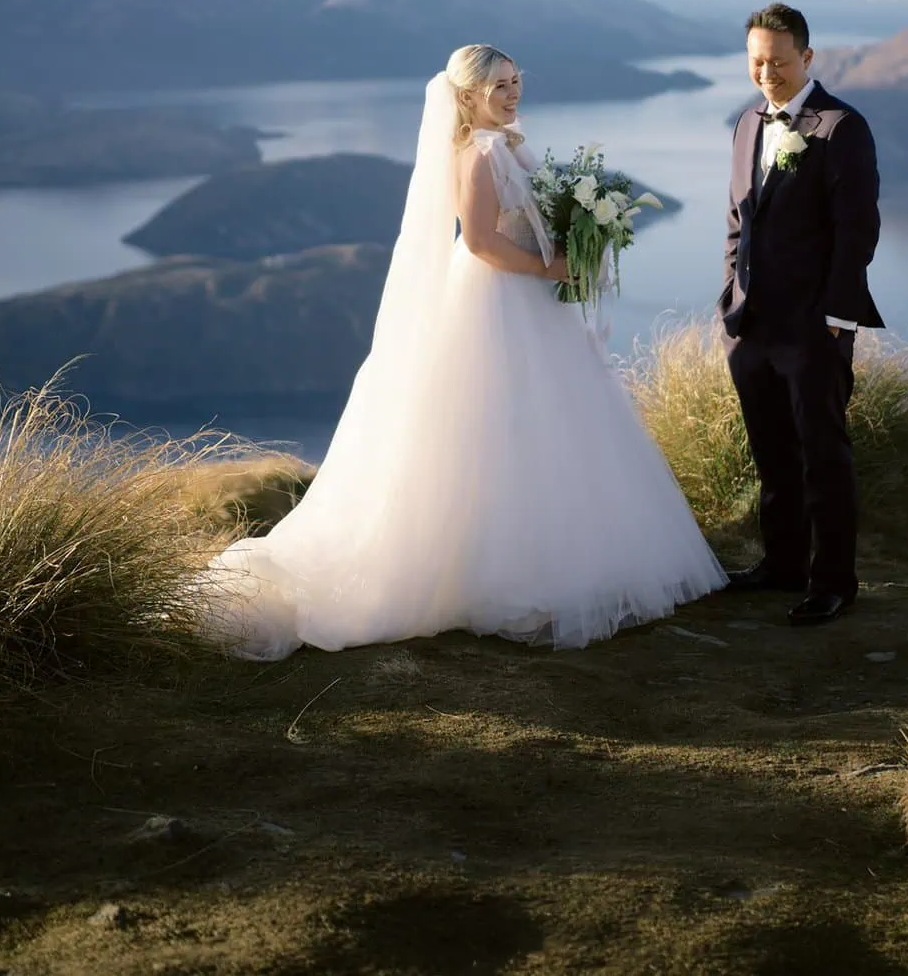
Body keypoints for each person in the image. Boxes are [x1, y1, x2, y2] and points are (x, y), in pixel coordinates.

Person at [205, 44, 725, 658]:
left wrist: (579, 245)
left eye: (516, 80)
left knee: (545, 423)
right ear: (467, 96)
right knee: (500, 423)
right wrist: (552, 267)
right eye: (499, 86)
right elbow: (478, 243)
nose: (512, 93)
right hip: (497, 298)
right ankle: (505, 576)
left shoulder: (506, 143)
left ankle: (549, 560)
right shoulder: (478, 155)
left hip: (527, 299)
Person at [718, 3, 883, 626]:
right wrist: (731, 299)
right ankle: (781, 564)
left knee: (822, 453)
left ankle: (834, 581)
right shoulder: (745, 124)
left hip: (814, 327)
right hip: (751, 324)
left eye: (779, 62)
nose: (767, 73)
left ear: (808, 58)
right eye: (757, 61)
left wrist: (838, 317)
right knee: (771, 451)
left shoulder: (842, 127)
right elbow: (739, 218)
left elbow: (857, 230)